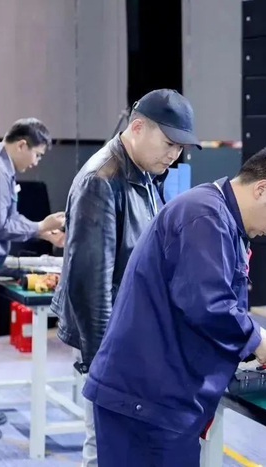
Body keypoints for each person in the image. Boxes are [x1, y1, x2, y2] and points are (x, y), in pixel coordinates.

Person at [82, 143, 266, 466]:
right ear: (262, 189)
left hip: (157, 396)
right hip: (145, 401)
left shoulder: (219, 217)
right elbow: (207, 303)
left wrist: (251, 343)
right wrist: (256, 338)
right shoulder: (204, 216)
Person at [51, 88, 200, 466]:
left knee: (124, 444)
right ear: (137, 128)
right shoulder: (101, 180)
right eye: (169, 143)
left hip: (130, 334)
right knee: (104, 445)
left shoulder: (144, 172)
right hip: (109, 341)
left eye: (181, 147)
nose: (175, 154)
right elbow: (90, 285)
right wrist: (101, 363)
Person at [0, 118, 65, 442]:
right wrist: (40, 226)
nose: (36, 162)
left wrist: (41, 231)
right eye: (37, 154)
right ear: (22, 144)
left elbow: (7, 216)